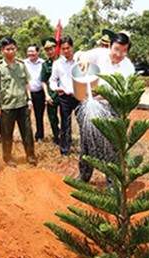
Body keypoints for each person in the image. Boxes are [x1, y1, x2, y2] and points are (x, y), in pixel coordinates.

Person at [75, 31, 135, 182]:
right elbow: (79, 54)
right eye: (116, 49)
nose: (119, 54)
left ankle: (112, 180)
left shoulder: (128, 67)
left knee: (111, 145)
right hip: (91, 104)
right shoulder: (100, 54)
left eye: (123, 51)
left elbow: (122, 91)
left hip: (111, 107)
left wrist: (101, 94)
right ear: (110, 46)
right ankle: (84, 175)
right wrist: (83, 60)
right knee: (86, 141)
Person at [0, 38, 37, 167]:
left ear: (16, 49)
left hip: (22, 104)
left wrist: (29, 99)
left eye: (12, 49)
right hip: (7, 106)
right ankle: (8, 157)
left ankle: (31, 156)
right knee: (6, 134)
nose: (10, 51)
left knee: (27, 132)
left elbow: (26, 83)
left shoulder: (21, 65)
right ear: (2, 51)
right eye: (7, 49)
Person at [49, 36, 79, 157]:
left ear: (72, 47)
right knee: (65, 123)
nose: (66, 51)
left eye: (68, 48)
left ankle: (87, 148)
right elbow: (52, 80)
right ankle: (64, 150)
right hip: (64, 97)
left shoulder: (80, 62)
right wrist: (57, 88)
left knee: (83, 123)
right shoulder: (57, 64)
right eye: (63, 49)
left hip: (79, 96)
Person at [40, 36, 60, 145]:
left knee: (66, 118)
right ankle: (56, 137)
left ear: (56, 48)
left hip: (64, 94)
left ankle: (66, 138)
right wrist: (46, 95)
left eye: (51, 48)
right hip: (52, 95)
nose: (49, 51)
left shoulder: (64, 61)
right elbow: (43, 81)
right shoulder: (45, 65)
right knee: (52, 118)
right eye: (47, 50)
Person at [24, 43, 45, 142]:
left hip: (39, 93)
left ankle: (40, 135)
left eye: (32, 51)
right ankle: (27, 136)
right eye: (29, 51)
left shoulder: (43, 63)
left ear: (38, 52)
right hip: (26, 93)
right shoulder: (23, 63)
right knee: (25, 116)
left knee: (39, 115)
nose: (30, 53)